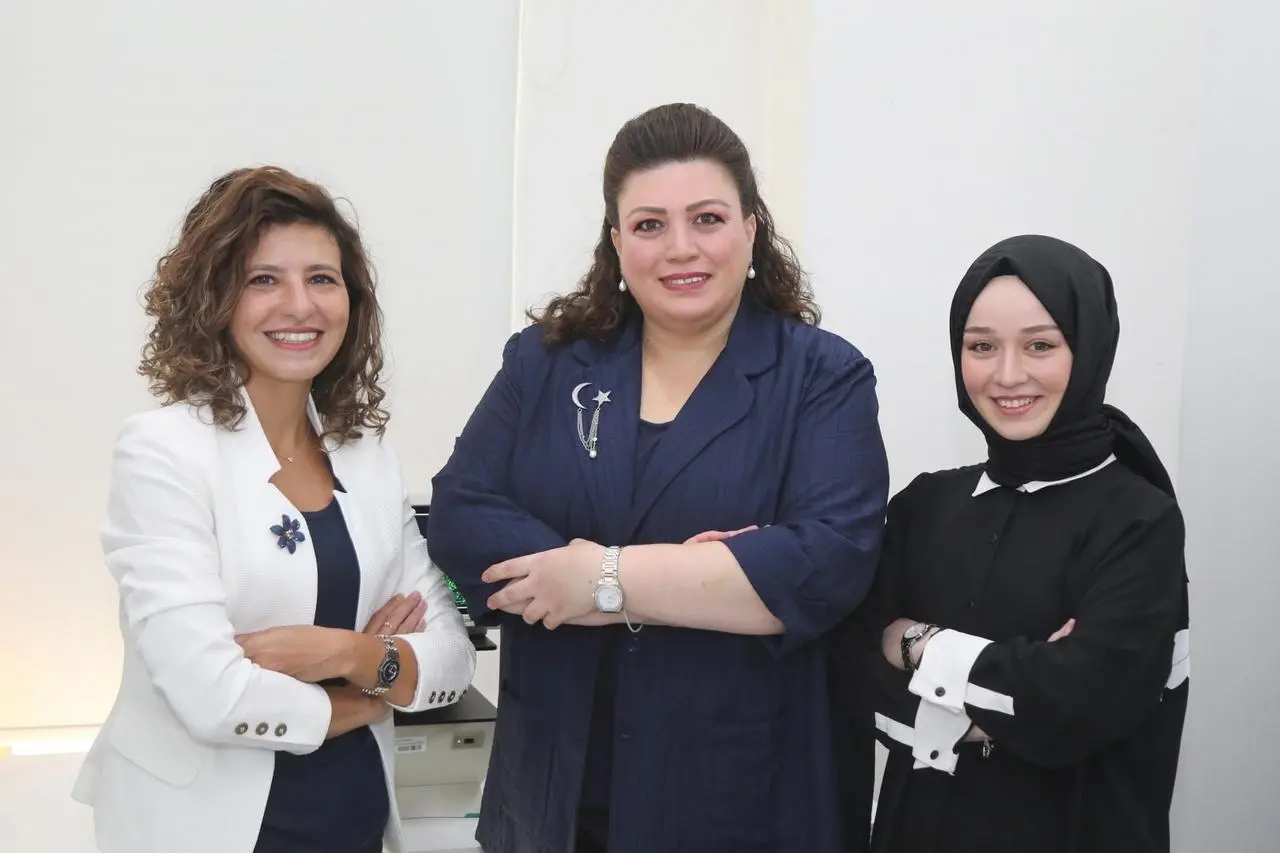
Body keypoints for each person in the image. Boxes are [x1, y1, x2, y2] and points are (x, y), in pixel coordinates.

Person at [425, 102, 891, 853]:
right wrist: (699, 579)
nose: (680, 248)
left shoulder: (821, 376)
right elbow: (461, 513)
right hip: (556, 794)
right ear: (616, 243)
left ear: (751, 228)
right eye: (649, 225)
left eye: (707, 219)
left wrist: (599, 580)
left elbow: (823, 565)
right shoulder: (545, 363)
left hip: (740, 798)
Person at [72, 166, 477, 853]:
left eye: (322, 278)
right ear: (215, 299)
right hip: (208, 827)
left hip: (352, 817)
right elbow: (212, 695)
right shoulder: (163, 451)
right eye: (264, 279)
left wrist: (344, 652)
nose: (300, 305)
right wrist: (373, 687)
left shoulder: (366, 457)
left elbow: (452, 657)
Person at [833, 235, 1190, 852]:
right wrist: (1018, 690)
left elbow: (1080, 704)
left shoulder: (1140, 520)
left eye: (1040, 345)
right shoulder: (924, 506)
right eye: (981, 346)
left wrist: (918, 643)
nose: (1007, 375)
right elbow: (850, 673)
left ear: (1089, 348)